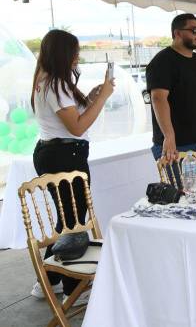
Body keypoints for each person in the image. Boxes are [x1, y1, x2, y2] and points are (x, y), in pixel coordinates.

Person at [29, 29, 115, 306]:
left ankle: (49, 281)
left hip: (53, 152)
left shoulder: (46, 81)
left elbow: (74, 117)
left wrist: (90, 97)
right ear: (64, 54)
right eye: (75, 52)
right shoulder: (56, 84)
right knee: (74, 220)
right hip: (65, 155)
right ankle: (72, 287)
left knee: (66, 217)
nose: (77, 57)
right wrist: (101, 99)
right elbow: (78, 126)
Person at [146, 13, 196, 171]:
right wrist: (169, 136)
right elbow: (158, 99)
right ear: (177, 33)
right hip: (175, 146)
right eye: (194, 30)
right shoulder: (162, 62)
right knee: (183, 194)